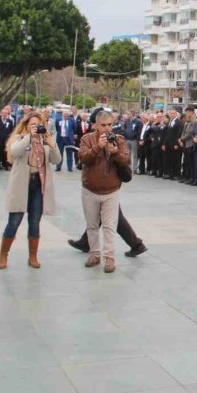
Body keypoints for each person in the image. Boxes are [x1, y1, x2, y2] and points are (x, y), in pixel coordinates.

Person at [0, 110, 60, 269]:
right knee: (14, 221)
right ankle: (3, 254)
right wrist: (29, 137)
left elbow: (56, 160)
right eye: (32, 125)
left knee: (34, 222)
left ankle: (33, 256)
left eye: (39, 125)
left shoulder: (46, 140)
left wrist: (52, 145)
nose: (36, 127)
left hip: (38, 184)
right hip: (21, 184)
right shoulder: (19, 138)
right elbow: (15, 152)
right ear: (25, 125)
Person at [78, 110, 130, 273]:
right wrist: (97, 147)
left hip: (111, 190)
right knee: (92, 225)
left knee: (109, 226)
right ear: (96, 125)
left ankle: (109, 258)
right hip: (90, 189)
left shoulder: (119, 139)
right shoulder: (87, 139)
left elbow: (126, 159)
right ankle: (94, 254)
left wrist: (115, 153)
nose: (107, 129)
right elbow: (83, 158)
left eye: (110, 125)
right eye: (103, 125)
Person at [162, 109, 182, 180]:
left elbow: (179, 133)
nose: (172, 115)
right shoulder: (169, 122)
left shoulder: (179, 122)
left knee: (176, 160)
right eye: (171, 113)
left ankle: (177, 174)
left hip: (175, 144)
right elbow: (166, 134)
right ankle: (170, 174)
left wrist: (177, 144)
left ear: (176, 114)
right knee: (169, 159)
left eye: (173, 113)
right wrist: (164, 144)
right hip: (168, 144)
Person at [0, 105, 15, 171]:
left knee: (6, 153)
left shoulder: (10, 122)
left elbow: (11, 131)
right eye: (3, 113)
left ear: (8, 114)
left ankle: (6, 165)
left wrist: (11, 140)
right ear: (1, 114)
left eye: (6, 113)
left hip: (6, 141)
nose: (5, 115)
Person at [179, 108, 196, 182]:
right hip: (185, 144)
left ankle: (190, 176)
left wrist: (182, 138)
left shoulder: (194, 121)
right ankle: (185, 175)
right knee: (185, 160)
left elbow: (190, 132)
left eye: (187, 112)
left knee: (190, 161)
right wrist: (181, 138)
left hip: (190, 144)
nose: (186, 114)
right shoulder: (187, 121)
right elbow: (184, 131)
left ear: (191, 112)